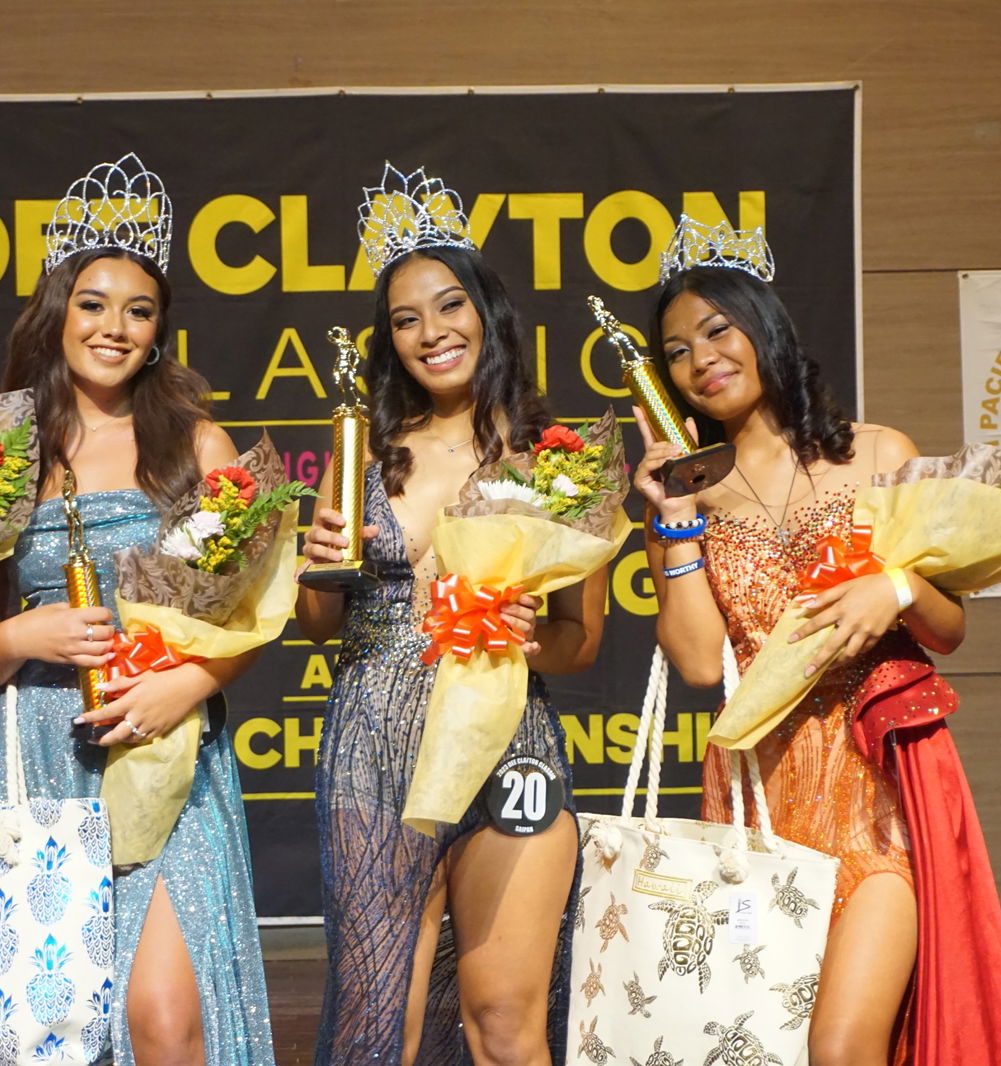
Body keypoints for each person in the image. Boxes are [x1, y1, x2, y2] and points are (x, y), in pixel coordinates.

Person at [633, 218, 1001, 1066]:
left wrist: (894, 588)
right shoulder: (687, 504)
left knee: (841, 1046)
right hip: (764, 799)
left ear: (763, 327)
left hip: (879, 784)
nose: (700, 359)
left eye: (716, 330)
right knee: (773, 1043)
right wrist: (673, 523)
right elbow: (702, 664)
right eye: (674, 351)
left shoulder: (879, 454)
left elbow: (948, 629)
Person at [0, 154, 275, 1066]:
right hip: (40, 748)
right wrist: (20, 633)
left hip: (166, 746)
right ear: (58, 316)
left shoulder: (197, 441)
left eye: (138, 310)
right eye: (93, 304)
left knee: (167, 1020)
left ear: (159, 330)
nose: (114, 326)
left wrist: (192, 684)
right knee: (58, 1027)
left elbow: (251, 612)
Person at [296, 164, 605, 1066]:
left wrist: (527, 634)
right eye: (404, 320)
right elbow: (320, 626)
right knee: (376, 1008)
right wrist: (322, 566)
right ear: (389, 342)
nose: (431, 333)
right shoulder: (367, 451)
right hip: (376, 735)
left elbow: (578, 643)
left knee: (504, 1017)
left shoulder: (558, 457)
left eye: (448, 306)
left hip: (509, 734)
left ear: (486, 312)